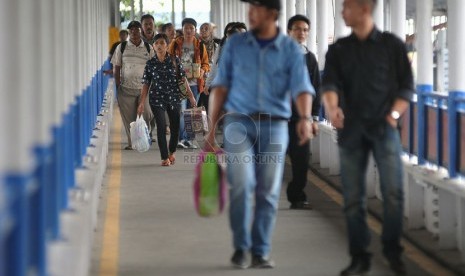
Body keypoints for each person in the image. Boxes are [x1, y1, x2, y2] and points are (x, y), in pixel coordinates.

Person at [206, 0, 316, 269]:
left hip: (275, 127)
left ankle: (260, 250)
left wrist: (304, 117)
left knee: (267, 192)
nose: (250, 13)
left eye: (256, 8)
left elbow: (302, 88)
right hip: (237, 125)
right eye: (249, 8)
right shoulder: (235, 45)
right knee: (242, 185)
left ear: (272, 14)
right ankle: (241, 247)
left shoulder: (290, 49)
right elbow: (220, 88)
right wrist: (210, 130)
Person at [320, 0, 414, 275]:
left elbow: (406, 86)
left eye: (346, 7)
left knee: (394, 193)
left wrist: (394, 116)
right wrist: (331, 107)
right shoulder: (339, 50)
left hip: (385, 129)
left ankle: (392, 251)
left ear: (364, 8)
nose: (341, 12)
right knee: (352, 197)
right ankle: (359, 256)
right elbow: (330, 84)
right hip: (351, 130)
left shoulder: (392, 45)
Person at [138, 34, 197, 166]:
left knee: (175, 127)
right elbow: (146, 84)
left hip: (174, 97)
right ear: (153, 46)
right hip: (156, 99)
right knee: (160, 126)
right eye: (156, 43)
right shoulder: (150, 64)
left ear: (167, 45)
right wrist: (142, 102)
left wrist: (191, 96)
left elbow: (183, 79)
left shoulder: (174, 60)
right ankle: (164, 157)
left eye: (162, 43)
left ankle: (172, 151)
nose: (159, 45)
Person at [286, 14, 321, 210]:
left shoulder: (310, 58)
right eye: (298, 29)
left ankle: (297, 195)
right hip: (278, 118)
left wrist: (314, 118)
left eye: (305, 30)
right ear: (289, 31)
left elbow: (316, 88)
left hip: (301, 118)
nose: (302, 33)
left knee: (301, 160)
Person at [111, 20, 155, 150]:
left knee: (146, 113)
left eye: (137, 30)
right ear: (129, 32)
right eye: (131, 31)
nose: (134, 33)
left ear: (140, 32)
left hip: (144, 89)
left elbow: (153, 67)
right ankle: (132, 143)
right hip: (126, 89)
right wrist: (118, 85)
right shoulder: (122, 47)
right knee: (130, 118)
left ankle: (144, 136)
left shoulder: (148, 48)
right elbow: (117, 67)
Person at [168, 18, 210, 149]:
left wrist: (202, 70)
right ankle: (181, 138)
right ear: (182, 29)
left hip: (195, 83)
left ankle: (188, 139)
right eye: (186, 28)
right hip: (179, 83)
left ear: (195, 30)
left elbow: (206, 64)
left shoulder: (200, 45)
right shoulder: (175, 43)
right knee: (181, 111)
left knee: (192, 112)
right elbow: (169, 59)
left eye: (191, 28)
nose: (189, 30)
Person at [197, 22, 219, 113]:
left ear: (211, 31)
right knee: (197, 106)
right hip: (198, 79)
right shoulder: (195, 44)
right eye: (201, 28)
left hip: (212, 80)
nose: (203, 30)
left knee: (209, 106)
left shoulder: (217, 45)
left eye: (206, 29)